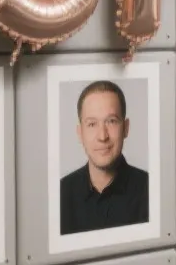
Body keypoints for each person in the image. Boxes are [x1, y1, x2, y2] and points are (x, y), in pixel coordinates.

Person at [59, 79, 150, 234]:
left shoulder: (151, 190)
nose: (102, 136)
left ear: (126, 128)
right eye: (92, 124)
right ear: (80, 133)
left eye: (111, 121)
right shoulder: (60, 194)